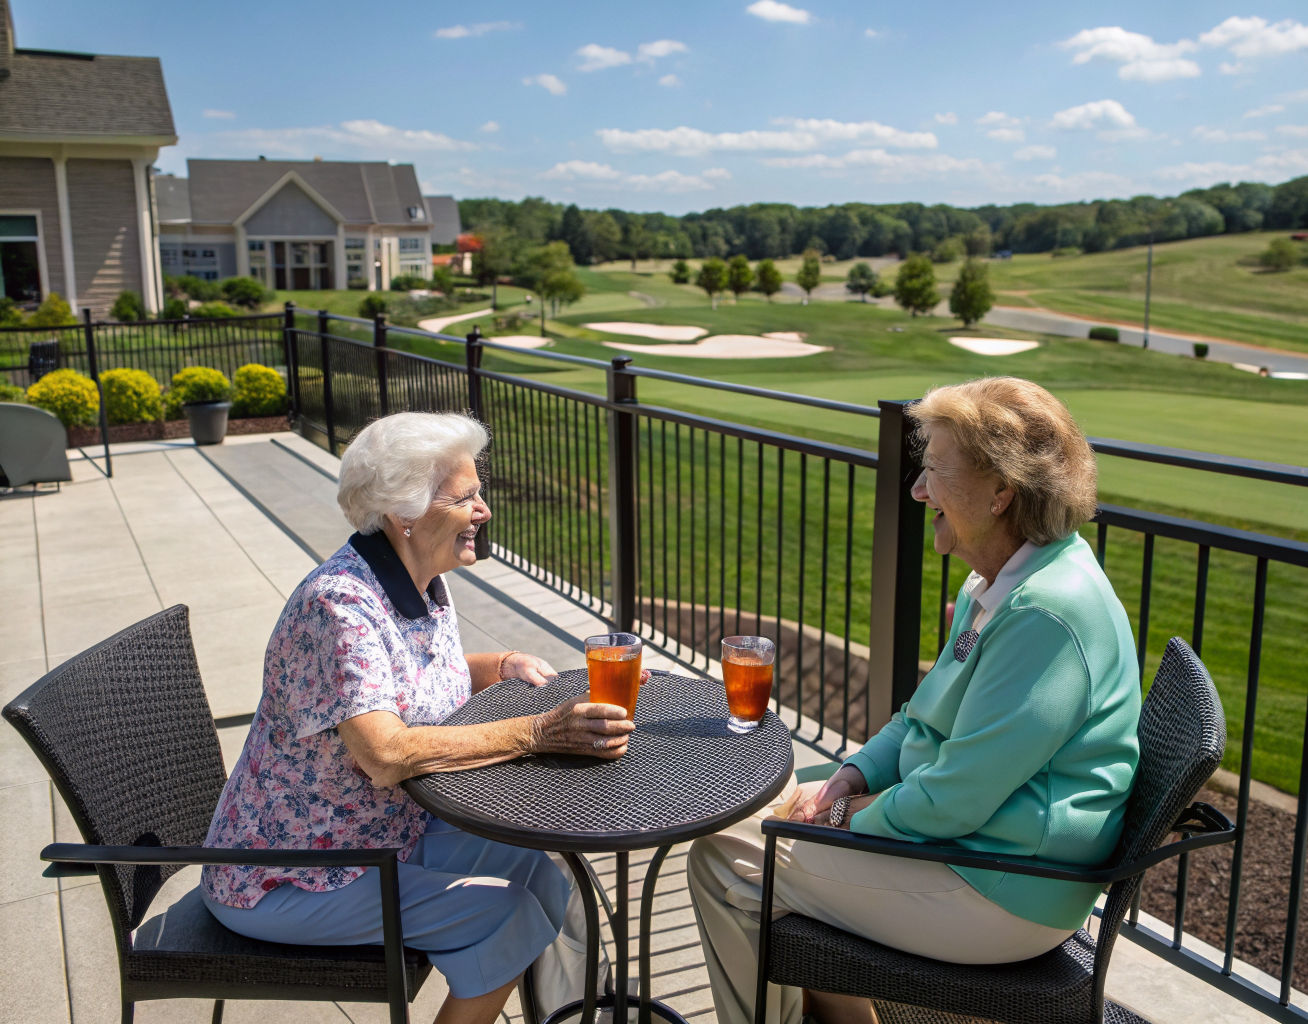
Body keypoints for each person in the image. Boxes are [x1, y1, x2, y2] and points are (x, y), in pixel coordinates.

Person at [687, 377, 1141, 1024]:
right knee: (764, 809)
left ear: (1000, 493)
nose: (917, 490)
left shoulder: (1046, 611)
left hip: (1003, 889)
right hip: (973, 847)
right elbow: (919, 717)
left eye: (932, 471)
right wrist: (849, 777)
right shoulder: (1003, 583)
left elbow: (955, 797)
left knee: (723, 863)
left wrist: (843, 818)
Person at [202, 412, 640, 1024]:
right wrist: (538, 731)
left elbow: (405, 676)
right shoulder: (339, 606)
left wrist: (502, 664)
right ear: (405, 514)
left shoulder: (419, 577)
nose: (483, 510)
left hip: (385, 834)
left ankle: (573, 1018)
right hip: (291, 871)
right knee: (504, 915)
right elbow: (384, 754)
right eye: (465, 497)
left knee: (545, 873)